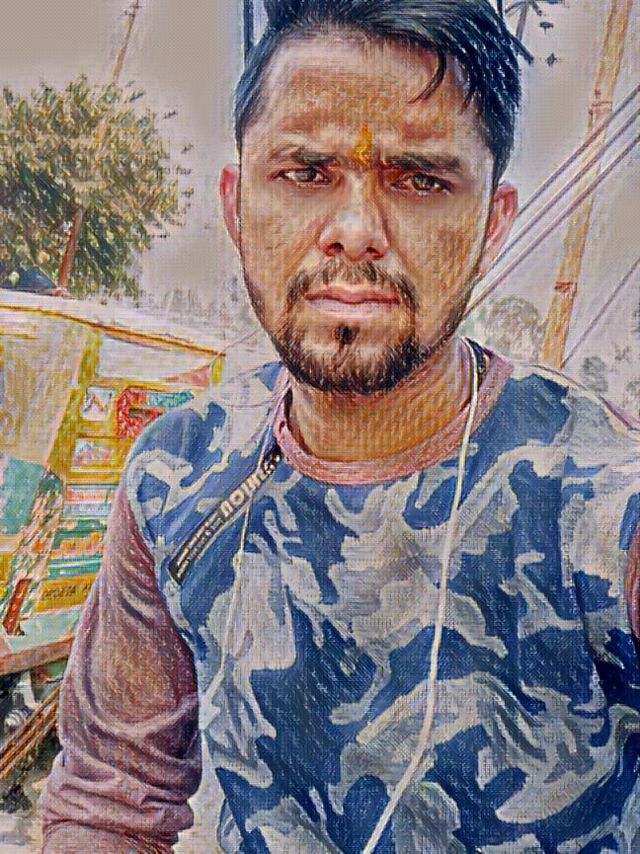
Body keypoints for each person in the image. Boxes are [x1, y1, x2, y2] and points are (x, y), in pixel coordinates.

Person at [40, 1, 640, 851]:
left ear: (492, 225)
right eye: (306, 172)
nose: (356, 233)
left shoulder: (608, 503)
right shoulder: (176, 478)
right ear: (237, 206)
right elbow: (110, 795)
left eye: (420, 180)